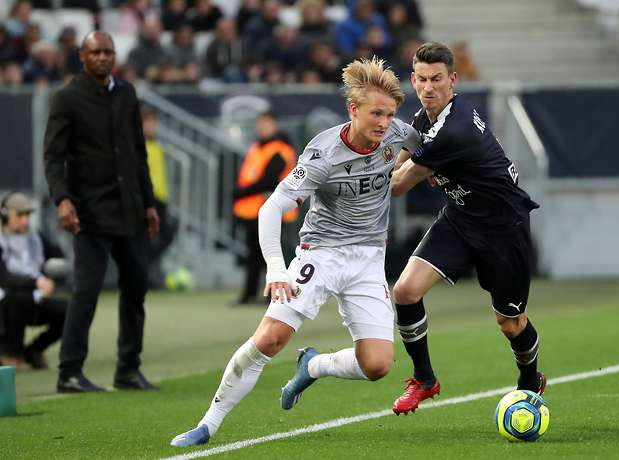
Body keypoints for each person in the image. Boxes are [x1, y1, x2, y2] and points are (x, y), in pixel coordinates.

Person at [170, 56, 420, 447]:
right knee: (270, 338)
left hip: (369, 258)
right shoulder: (322, 154)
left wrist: (419, 171)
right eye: (376, 113)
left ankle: (313, 365)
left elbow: (424, 149)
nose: (385, 123)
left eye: (390, 115)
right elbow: (271, 208)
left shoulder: (398, 133)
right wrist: (275, 268)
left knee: (377, 365)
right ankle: (208, 424)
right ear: (353, 109)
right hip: (321, 254)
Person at [389, 42, 545, 415]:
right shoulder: (424, 119)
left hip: (503, 227)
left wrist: (351, 176)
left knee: (510, 323)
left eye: (436, 79)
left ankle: (530, 379)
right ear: (413, 80)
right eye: (422, 79)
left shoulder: (453, 130)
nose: (428, 87)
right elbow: (398, 163)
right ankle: (425, 380)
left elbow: (395, 185)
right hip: (461, 217)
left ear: (453, 80)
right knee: (405, 291)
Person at [43, 31, 160, 393]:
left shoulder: (126, 93)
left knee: (136, 290)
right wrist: (62, 200)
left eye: (108, 51)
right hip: (90, 210)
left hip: (130, 209)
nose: (103, 57)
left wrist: (149, 202)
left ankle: (128, 370)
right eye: (95, 52)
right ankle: (69, 372)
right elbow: (53, 157)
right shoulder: (66, 97)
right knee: (86, 292)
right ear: (82, 56)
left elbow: (138, 152)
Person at [233, 112, 298, 305]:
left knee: (274, 256)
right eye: (260, 124)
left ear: (275, 125)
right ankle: (249, 294)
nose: (262, 128)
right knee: (254, 255)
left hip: (276, 212)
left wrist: (241, 193)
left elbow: (269, 180)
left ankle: (277, 295)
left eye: (266, 124)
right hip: (254, 210)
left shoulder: (280, 149)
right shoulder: (257, 147)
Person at [0, 192, 67, 370]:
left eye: (28, 215)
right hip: (5, 303)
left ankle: (33, 351)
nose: (25, 220)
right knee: (18, 299)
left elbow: (57, 256)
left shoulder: (35, 237)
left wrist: (51, 279)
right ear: (5, 216)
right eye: (20, 215)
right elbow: (4, 278)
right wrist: (36, 283)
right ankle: (10, 354)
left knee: (67, 311)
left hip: (33, 299)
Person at [142, 106, 177, 289]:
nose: (151, 125)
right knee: (149, 238)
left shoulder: (157, 145)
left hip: (161, 198)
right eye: (147, 122)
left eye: (153, 121)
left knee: (167, 234)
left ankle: (148, 270)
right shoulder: (139, 146)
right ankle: (145, 275)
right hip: (148, 199)